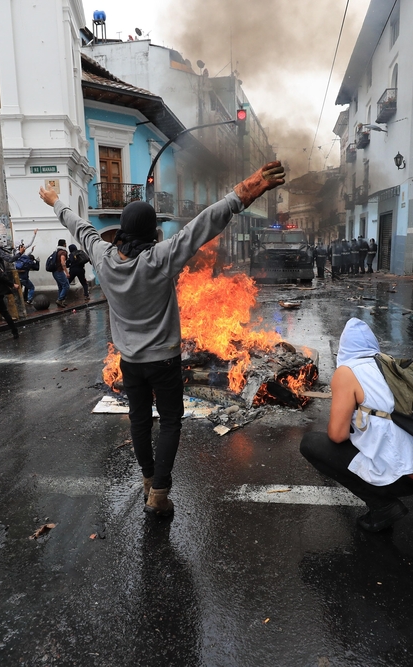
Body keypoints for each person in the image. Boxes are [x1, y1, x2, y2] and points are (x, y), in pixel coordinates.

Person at [40, 160, 285, 517]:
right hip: (165, 361)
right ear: (151, 232)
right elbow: (204, 225)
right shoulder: (159, 259)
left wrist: (55, 201)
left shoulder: (104, 259)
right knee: (170, 420)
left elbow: (80, 228)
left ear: (122, 231)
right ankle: (159, 493)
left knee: (140, 419)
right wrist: (247, 189)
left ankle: (147, 479)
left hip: (131, 364)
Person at [300, 319, 413, 532]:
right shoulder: (390, 364)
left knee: (311, 443)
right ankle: (384, 490)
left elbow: (337, 435)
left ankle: (383, 507)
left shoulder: (346, 372)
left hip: (408, 477)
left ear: (343, 348)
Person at [51, 239, 70, 308]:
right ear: (64, 244)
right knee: (66, 286)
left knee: (61, 286)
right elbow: (63, 262)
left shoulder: (57, 251)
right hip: (59, 271)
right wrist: (67, 272)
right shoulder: (63, 252)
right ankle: (60, 300)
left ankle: (61, 301)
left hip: (54, 272)